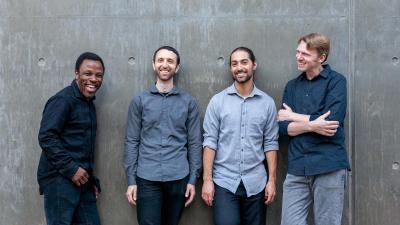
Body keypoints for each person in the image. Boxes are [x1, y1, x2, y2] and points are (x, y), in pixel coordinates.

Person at [124, 46, 202, 225]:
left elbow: (195, 142)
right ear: (153, 65)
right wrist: (131, 180)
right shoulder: (139, 101)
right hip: (146, 178)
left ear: (177, 67)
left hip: (178, 177)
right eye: (160, 60)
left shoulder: (188, 102)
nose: (165, 64)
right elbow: (131, 141)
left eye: (170, 61)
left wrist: (192, 180)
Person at [278, 33, 350, 225]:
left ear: (321, 58)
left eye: (305, 54)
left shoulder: (337, 82)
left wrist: (294, 116)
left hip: (328, 165)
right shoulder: (292, 86)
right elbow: (282, 128)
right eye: (298, 52)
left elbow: (332, 122)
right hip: (297, 167)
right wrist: (312, 125)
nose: (299, 57)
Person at [201, 47, 279, 225]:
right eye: (234, 64)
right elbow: (210, 142)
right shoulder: (217, 101)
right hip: (224, 182)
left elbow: (271, 143)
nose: (239, 67)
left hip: (257, 183)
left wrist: (272, 181)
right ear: (230, 68)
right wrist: (207, 180)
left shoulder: (267, 103)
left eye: (244, 62)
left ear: (254, 65)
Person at [37, 52, 105, 225]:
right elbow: (47, 137)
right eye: (87, 73)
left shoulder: (87, 103)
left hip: (82, 181)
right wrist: (71, 169)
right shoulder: (63, 100)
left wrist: (90, 179)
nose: (93, 79)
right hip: (60, 180)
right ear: (76, 74)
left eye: (98, 75)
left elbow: (81, 145)